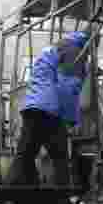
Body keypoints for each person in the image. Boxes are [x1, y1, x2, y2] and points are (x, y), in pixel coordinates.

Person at [14, 31, 89, 186]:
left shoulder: (47, 56)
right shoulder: (74, 55)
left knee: (25, 154)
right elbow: (69, 92)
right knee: (60, 157)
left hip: (30, 109)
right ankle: (63, 194)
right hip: (49, 111)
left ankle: (22, 189)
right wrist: (71, 121)